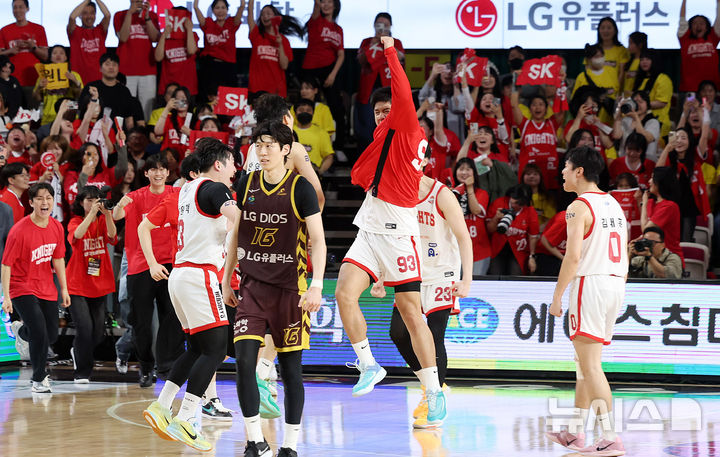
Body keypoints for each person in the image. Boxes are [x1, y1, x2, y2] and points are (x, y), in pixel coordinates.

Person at [336, 36, 447, 425]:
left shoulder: (407, 127)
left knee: (411, 314)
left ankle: (433, 390)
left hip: (398, 231)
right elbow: (364, 176)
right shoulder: (382, 140)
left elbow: (401, 88)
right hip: (370, 227)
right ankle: (369, 364)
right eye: (377, 112)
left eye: (388, 110)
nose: (383, 116)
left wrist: (388, 52)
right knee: (344, 293)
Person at [223, 121, 326, 457]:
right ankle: (255, 441)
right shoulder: (246, 182)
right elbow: (236, 232)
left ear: (286, 150)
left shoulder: (301, 188)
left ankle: (290, 445)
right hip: (251, 289)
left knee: (291, 371)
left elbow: (318, 240)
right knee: (243, 362)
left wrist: (316, 285)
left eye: (269, 145)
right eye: (258, 145)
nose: (262, 151)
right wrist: (226, 278)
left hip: (290, 292)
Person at [142, 138, 238, 452]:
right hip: (200, 276)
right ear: (219, 164)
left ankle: (162, 404)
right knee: (216, 349)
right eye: (231, 164)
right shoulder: (216, 188)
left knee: (197, 348)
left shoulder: (186, 190)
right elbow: (238, 217)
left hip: (181, 274)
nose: (235, 170)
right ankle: (186, 418)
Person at [373, 150, 472, 429]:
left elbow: (464, 237)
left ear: (424, 161)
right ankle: (433, 385)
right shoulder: (395, 194)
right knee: (398, 333)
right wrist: (381, 274)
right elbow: (389, 238)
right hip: (409, 273)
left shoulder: (441, 194)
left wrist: (466, 279)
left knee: (434, 336)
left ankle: (434, 401)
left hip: (442, 273)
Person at [546, 145, 628, 456]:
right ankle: (575, 432)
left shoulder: (578, 207)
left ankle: (610, 437)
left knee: (591, 366)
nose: (562, 172)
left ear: (579, 171)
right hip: (615, 283)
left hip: (590, 283)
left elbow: (573, 257)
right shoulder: (614, 203)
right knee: (584, 363)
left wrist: (557, 296)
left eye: (566, 167)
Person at [112, 154, 185, 387]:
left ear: (168, 173)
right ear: (146, 173)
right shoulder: (135, 196)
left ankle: (168, 367)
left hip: (170, 264)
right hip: (140, 265)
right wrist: (119, 204)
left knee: (172, 318)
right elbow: (116, 216)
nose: (158, 173)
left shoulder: (176, 194)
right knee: (141, 323)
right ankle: (145, 367)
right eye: (153, 169)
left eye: (162, 169)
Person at [1, 183, 70, 393]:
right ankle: (39, 379)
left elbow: (58, 259)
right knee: (39, 332)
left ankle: (22, 331)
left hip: (46, 285)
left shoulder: (56, 227)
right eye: (39, 198)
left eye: (48, 198)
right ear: (31, 202)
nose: (44, 202)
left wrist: (64, 289)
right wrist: (6, 296)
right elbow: (6, 264)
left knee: (51, 335)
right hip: (21, 286)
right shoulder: (19, 231)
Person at [66, 185, 117, 383]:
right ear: (81, 202)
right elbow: (77, 235)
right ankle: (82, 372)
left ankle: (77, 350)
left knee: (97, 333)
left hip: (99, 283)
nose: (93, 203)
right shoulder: (75, 221)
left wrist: (107, 214)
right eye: (89, 200)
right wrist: (92, 214)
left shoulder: (103, 220)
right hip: (77, 284)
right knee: (85, 329)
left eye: (96, 200)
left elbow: (112, 236)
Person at [355, 12, 405, 150]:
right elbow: (360, 60)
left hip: (387, 89)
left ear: (390, 26)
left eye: (385, 24)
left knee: (389, 124)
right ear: (374, 25)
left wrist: (386, 42)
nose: (382, 27)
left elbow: (400, 57)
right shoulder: (366, 42)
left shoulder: (396, 42)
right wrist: (373, 43)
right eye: (379, 24)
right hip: (368, 90)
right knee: (367, 125)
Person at [302, 0, 345, 150]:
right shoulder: (316, 20)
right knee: (307, 106)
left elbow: (341, 54)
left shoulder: (338, 29)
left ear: (335, 6)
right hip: (311, 69)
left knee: (337, 109)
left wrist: (333, 75)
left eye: (329, 2)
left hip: (329, 70)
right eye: (323, 2)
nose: (325, 5)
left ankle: (337, 147)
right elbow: (316, 5)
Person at [114, 0, 160, 120]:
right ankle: (125, 130)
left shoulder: (152, 15)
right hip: (126, 70)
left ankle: (145, 130)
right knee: (125, 106)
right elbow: (123, 37)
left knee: (147, 108)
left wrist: (147, 18)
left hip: (148, 69)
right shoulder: (120, 15)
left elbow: (155, 38)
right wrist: (130, 13)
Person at [247, 3, 302, 98]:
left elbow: (284, 65)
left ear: (275, 17)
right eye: (262, 14)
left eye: (268, 14)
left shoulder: (284, 40)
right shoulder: (256, 35)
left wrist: (280, 44)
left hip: (276, 91)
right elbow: (250, 13)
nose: (265, 16)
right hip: (257, 90)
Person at [511, 92, 560, 191]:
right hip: (529, 174)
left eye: (541, 104)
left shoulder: (552, 123)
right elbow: (514, 105)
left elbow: (561, 109)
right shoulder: (524, 123)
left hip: (550, 172)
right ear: (529, 109)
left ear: (546, 109)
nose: (537, 107)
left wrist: (560, 89)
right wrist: (517, 88)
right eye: (534, 104)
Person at [486, 184, 539, 275]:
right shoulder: (499, 203)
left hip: (518, 250)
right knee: (495, 274)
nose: (514, 205)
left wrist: (532, 257)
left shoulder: (530, 211)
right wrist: (496, 218)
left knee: (516, 274)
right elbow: (489, 229)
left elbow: (533, 236)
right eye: (513, 202)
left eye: (518, 204)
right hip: (498, 248)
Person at [194, 0, 243, 97]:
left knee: (229, 97)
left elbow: (242, 7)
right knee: (210, 98)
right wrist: (196, 4)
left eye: (223, 8)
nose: (220, 11)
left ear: (227, 10)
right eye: (217, 8)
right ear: (212, 10)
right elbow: (196, 7)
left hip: (228, 67)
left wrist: (242, 4)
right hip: (210, 67)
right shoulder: (208, 23)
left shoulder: (231, 23)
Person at [452, 158, 490, 275]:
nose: (464, 172)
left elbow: (475, 210)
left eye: (468, 169)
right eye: (461, 169)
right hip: (454, 252)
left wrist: (469, 188)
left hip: (478, 252)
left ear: (474, 172)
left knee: (476, 285)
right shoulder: (450, 193)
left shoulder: (482, 193)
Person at [0, 0, 48, 87]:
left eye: (21, 7)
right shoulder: (4, 30)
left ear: (27, 9)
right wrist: (10, 51)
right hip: (11, 79)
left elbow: (45, 56)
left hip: (35, 79)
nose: (17, 10)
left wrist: (33, 47)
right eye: (15, 7)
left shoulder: (39, 29)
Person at [32, 45, 83, 126]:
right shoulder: (43, 76)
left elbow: (80, 97)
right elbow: (37, 99)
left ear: (66, 57)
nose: (58, 55)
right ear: (51, 57)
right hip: (49, 118)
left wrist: (75, 82)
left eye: (61, 53)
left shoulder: (74, 75)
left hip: (70, 118)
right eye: (55, 53)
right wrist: (39, 88)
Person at [641, 166, 684, 262]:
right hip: (652, 258)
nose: (649, 181)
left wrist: (644, 204)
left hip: (669, 260)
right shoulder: (650, 202)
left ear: (660, 182)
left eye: (652, 178)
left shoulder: (669, 207)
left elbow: (646, 230)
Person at [677, 0, 720, 94]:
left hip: (710, 89)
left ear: (707, 27)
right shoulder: (685, 38)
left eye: (702, 23)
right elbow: (682, 20)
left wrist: (718, 3)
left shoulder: (713, 37)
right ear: (690, 27)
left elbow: (719, 19)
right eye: (695, 23)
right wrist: (684, 1)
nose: (698, 25)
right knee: (689, 104)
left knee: (708, 104)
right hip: (690, 89)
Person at [155, 7, 198, 97]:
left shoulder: (192, 35)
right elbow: (158, 58)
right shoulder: (166, 37)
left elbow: (191, 51)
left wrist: (189, 29)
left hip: (188, 88)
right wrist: (164, 35)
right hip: (168, 88)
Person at [79, 52, 135, 122]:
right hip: (93, 128)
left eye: (114, 64)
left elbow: (129, 118)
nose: (111, 67)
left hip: (117, 128)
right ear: (100, 68)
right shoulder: (91, 88)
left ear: (118, 69)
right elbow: (81, 112)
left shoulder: (125, 91)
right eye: (107, 64)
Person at [572, 44, 620, 124]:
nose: (600, 59)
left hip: (609, 119)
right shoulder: (582, 77)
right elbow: (575, 100)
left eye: (601, 56)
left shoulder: (612, 72)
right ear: (589, 59)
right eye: (596, 56)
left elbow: (617, 92)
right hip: (589, 121)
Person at [632, 49, 673, 138]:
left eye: (648, 59)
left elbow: (661, 103)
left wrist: (640, 104)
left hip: (659, 122)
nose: (644, 62)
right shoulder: (640, 79)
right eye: (642, 59)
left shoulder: (663, 79)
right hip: (641, 121)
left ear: (655, 61)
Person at [67, 0, 110, 85]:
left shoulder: (100, 30)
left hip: (100, 80)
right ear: (80, 15)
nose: (89, 16)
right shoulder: (75, 32)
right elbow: (72, 17)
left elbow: (107, 15)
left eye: (92, 13)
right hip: (79, 81)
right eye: (85, 13)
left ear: (95, 15)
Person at [612, 90, 660, 161]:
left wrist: (636, 117)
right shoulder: (626, 120)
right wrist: (619, 113)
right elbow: (616, 135)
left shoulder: (653, 122)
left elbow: (646, 139)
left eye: (640, 102)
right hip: (626, 160)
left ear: (647, 105)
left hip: (645, 161)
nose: (637, 104)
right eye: (635, 102)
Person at [293, 98, 334, 174]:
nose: (305, 112)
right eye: (301, 110)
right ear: (295, 113)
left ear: (313, 113)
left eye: (308, 110)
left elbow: (329, 156)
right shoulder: (289, 132)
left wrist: (320, 171)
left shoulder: (322, 133)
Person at [594, 17, 629, 88]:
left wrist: (616, 89)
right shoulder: (593, 50)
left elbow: (622, 72)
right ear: (598, 30)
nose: (605, 31)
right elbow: (588, 71)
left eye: (609, 28)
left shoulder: (622, 50)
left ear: (615, 31)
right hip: (595, 90)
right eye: (602, 28)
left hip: (614, 90)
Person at [521, 163, 556, 230]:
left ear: (540, 177)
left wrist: (535, 232)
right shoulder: (517, 196)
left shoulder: (547, 197)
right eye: (528, 174)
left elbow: (550, 220)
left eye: (535, 174)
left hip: (540, 232)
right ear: (523, 177)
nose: (532, 176)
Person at [535, 210, 567, 276]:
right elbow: (544, 240)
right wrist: (564, 259)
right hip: (547, 254)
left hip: (565, 254)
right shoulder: (563, 220)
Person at [622, 31, 647, 97]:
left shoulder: (644, 63)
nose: (629, 46)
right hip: (625, 97)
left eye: (631, 43)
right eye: (629, 43)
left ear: (640, 45)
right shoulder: (629, 62)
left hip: (637, 98)